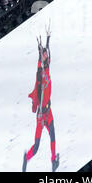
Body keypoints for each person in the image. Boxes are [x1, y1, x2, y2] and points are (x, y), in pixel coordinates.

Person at [23, 24, 60, 172]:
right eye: (44, 55)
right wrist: (39, 50)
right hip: (41, 114)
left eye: (45, 55)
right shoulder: (40, 72)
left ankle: (53, 161)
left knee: (52, 135)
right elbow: (40, 64)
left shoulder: (47, 66)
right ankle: (26, 159)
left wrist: (48, 40)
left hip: (48, 111)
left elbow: (47, 55)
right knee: (37, 145)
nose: (46, 56)